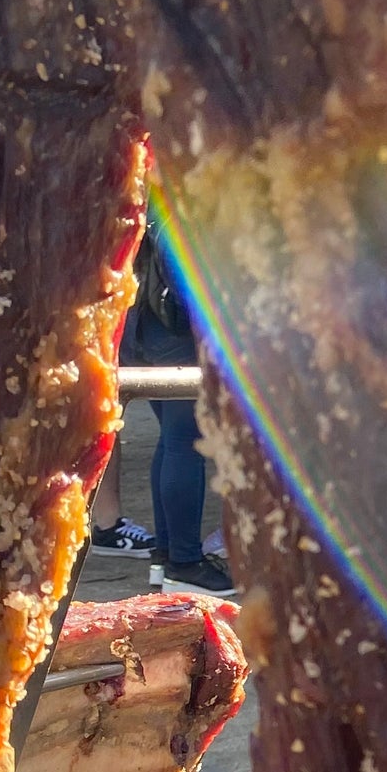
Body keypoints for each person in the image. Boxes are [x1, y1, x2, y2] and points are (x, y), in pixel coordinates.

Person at [129, 210, 235, 596]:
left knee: (171, 440)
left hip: (149, 328)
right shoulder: (187, 202)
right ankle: (184, 563)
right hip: (176, 333)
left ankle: (166, 555)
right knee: (184, 442)